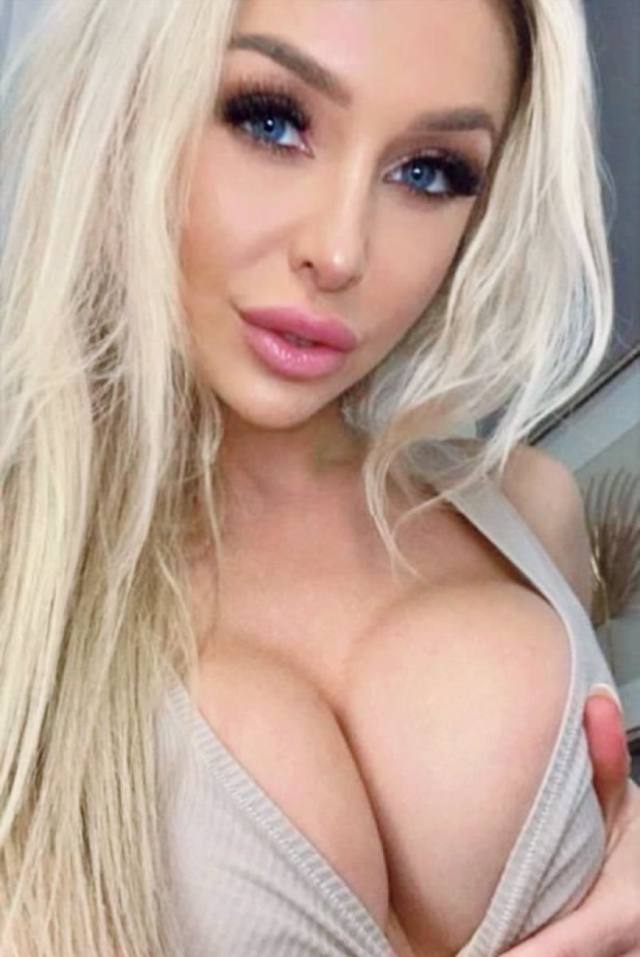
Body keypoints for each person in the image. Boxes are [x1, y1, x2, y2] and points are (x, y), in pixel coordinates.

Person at [0, 0, 638, 954]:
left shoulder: (531, 508)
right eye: (270, 120)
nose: (340, 252)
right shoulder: (23, 600)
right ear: (127, 102)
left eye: (429, 172)